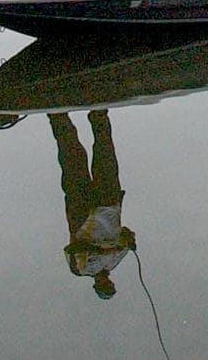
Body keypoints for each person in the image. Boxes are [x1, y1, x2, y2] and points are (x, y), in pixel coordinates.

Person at [49, 110, 136, 299]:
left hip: (81, 210)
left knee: (72, 155)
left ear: (96, 286)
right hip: (109, 203)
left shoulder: (80, 270)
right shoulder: (115, 262)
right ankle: (99, 112)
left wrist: (100, 249)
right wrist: (129, 242)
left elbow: (72, 249)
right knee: (105, 152)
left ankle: (58, 114)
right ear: (112, 283)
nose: (106, 283)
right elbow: (127, 233)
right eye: (110, 286)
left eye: (104, 286)